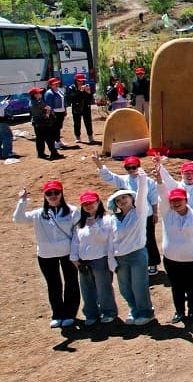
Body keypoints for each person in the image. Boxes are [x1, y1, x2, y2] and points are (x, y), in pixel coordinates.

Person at [15, 181, 80, 327]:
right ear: (44, 196)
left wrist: (76, 252)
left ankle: (70, 313)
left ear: (61, 193)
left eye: (56, 192)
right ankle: (57, 314)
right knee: (53, 284)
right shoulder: (39, 213)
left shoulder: (72, 211)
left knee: (71, 282)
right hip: (46, 254)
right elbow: (18, 219)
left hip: (68, 253)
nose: (53, 196)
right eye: (49, 193)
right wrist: (22, 201)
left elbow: (78, 232)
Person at [107, 175, 155, 326]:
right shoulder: (113, 219)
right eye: (118, 200)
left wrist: (142, 180)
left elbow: (142, 194)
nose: (122, 201)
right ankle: (134, 310)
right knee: (125, 288)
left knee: (139, 285)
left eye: (124, 197)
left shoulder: (139, 212)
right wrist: (111, 259)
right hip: (120, 257)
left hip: (137, 255)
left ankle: (146, 312)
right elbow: (110, 240)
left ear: (131, 198)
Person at [159, 187, 193, 324]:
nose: (176, 203)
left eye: (179, 200)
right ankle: (179, 311)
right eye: (173, 201)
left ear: (186, 200)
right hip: (171, 260)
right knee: (177, 287)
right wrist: (159, 181)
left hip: (191, 260)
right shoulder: (167, 213)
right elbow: (162, 194)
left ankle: (192, 310)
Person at [70, 190, 117, 326]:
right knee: (86, 289)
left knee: (104, 288)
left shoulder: (106, 219)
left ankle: (108, 312)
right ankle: (91, 313)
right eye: (85, 204)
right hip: (83, 261)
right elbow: (76, 241)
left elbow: (104, 238)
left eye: (91, 203)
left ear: (98, 202)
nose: (89, 206)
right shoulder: (81, 223)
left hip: (100, 259)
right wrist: (74, 257)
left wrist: (94, 226)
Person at [28, 87, 61, 160]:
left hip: (36, 122)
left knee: (39, 139)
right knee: (49, 138)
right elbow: (48, 108)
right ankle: (54, 153)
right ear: (35, 95)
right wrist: (48, 114)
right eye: (39, 93)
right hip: (43, 122)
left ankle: (41, 154)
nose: (40, 94)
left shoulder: (31, 101)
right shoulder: (39, 103)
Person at [66, 74, 96, 145]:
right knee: (77, 123)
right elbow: (71, 97)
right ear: (76, 81)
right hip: (76, 107)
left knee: (88, 122)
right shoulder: (71, 87)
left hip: (86, 107)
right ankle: (78, 137)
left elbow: (90, 99)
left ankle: (90, 136)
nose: (81, 82)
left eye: (82, 81)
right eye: (79, 81)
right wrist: (79, 91)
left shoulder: (86, 86)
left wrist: (89, 92)